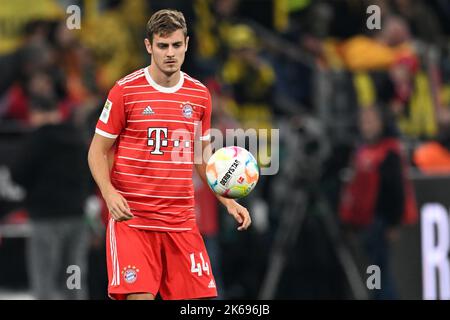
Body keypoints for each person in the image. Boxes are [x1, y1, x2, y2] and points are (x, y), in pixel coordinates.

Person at [87, 9, 251, 300]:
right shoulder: (125, 91)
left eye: (176, 45)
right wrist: (109, 193)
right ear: (149, 46)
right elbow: (97, 151)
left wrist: (227, 200)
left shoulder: (200, 95)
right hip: (133, 224)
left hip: (181, 223)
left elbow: (202, 158)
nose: (170, 53)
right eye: (162, 46)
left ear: (187, 44)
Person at [10, 94, 91, 299]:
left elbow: (18, 174)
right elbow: (92, 172)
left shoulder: (36, 140)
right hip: (76, 217)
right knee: (73, 271)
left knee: (44, 275)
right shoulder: (78, 137)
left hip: (45, 217)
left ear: (34, 114)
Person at [339, 106, 417, 299]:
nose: (367, 126)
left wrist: (393, 223)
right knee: (371, 269)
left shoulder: (388, 151)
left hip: (380, 222)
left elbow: (396, 190)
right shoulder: (360, 151)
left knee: (378, 271)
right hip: (363, 222)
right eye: (364, 122)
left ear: (381, 123)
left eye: (371, 121)